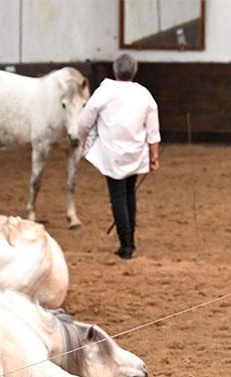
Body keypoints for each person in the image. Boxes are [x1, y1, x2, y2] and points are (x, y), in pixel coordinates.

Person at [78, 53, 160, 259]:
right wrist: (154, 156)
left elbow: (84, 121)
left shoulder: (104, 92)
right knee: (130, 195)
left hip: (111, 154)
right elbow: (153, 130)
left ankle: (126, 244)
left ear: (115, 71)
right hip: (135, 153)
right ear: (134, 71)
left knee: (118, 198)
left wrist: (81, 142)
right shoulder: (144, 94)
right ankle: (130, 240)